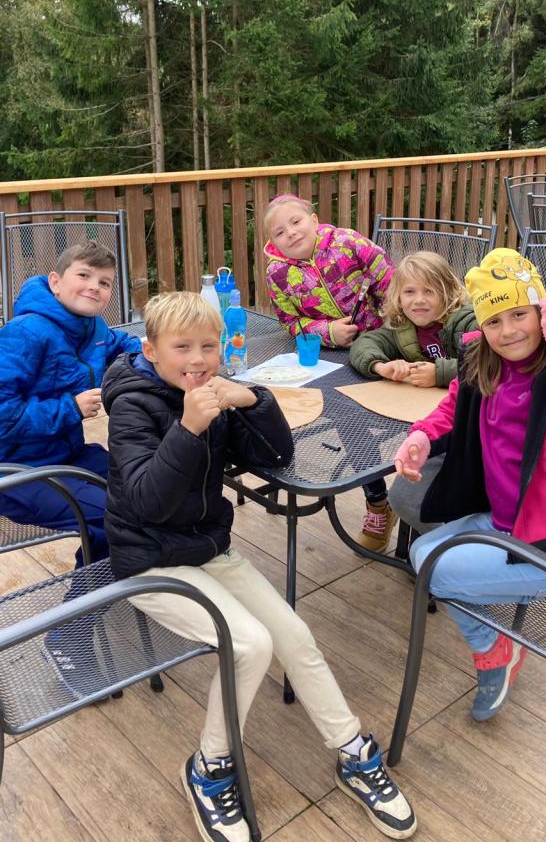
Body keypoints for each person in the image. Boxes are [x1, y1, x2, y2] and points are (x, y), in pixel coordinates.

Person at [102, 292, 417, 842]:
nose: (198, 360)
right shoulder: (133, 406)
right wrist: (188, 430)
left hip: (207, 550)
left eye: (209, 347)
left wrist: (253, 400)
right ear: (150, 350)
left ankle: (352, 751)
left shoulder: (211, 392)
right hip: (148, 561)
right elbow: (148, 502)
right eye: (182, 348)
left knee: (293, 634)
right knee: (248, 644)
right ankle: (209, 769)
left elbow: (275, 457)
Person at [393, 248, 546, 722]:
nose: (508, 331)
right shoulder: (483, 360)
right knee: (422, 554)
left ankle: (496, 643)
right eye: (494, 320)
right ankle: (499, 641)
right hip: (508, 519)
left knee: (437, 571)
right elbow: (454, 406)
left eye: (520, 314)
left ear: (542, 312)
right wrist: (422, 435)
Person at [264, 193, 397, 549]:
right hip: (331, 356)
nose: (291, 233)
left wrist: (392, 329)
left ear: (314, 219)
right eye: (279, 232)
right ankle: (378, 501)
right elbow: (289, 322)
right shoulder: (277, 273)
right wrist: (327, 331)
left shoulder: (349, 244)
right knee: (343, 412)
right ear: (272, 241)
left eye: (296, 222)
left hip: (385, 341)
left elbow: (393, 285)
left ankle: (418, 493)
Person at [0, 240, 141, 566]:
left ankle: (122, 574)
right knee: (115, 515)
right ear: (55, 282)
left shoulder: (92, 326)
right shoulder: (25, 333)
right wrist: (71, 408)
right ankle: (87, 597)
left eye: (104, 282)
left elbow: (123, 344)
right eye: (84, 275)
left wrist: (157, 353)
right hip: (15, 471)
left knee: (143, 485)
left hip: (66, 454)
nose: (94, 287)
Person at [349, 252, 477, 547]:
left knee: (417, 493)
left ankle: (462, 547)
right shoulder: (402, 327)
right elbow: (365, 343)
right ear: (398, 297)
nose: (419, 300)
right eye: (409, 292)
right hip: (426, 422)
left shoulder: (466, 321)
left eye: (429, 291)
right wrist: (380, 365)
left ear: (448, 291)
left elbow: (487, 359)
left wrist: (440, 373)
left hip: (467, 427)